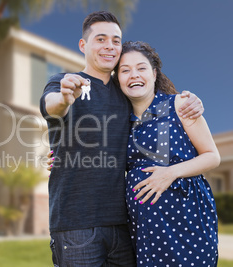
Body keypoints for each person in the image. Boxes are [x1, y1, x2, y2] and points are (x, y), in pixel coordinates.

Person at [40, 11, 204, 266]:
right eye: (101, 39)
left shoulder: (125, 93)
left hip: (124, 224)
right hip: (76, 225)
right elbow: (52, 107)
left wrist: (192, 100)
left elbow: (154, 105)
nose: (110, 46)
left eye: (116, 40)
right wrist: (64, 97)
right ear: (83, 45)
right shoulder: (63, 83)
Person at [113, 41, 219, 266]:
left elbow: (212, 155)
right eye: (125, 70)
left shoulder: (180, 104)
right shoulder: (120, 122)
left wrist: (171, 173)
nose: (134, 75)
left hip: (187, 222)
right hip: (145, 230)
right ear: (118, 79)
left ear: (153, 73)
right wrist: (61, 159)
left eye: (141, 68)